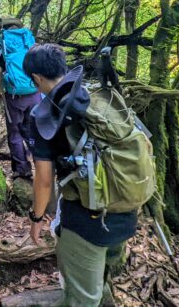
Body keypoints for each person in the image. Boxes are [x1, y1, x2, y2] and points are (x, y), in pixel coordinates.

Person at [24, 44, 137, 307]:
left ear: (37, 79)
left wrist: (36, 218)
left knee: (81, 299)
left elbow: (43, 179)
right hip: (128, 210)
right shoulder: (100, 97)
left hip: (86, 223)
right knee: (100, 278)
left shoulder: (43, 117)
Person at [0, 16, 41, 179]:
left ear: (1, 28)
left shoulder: (1, 41)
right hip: (35, 92)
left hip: (15, 96)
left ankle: (22, 170)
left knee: (15, 133)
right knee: (34, 130)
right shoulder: (28, 37)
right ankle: (43, 166)